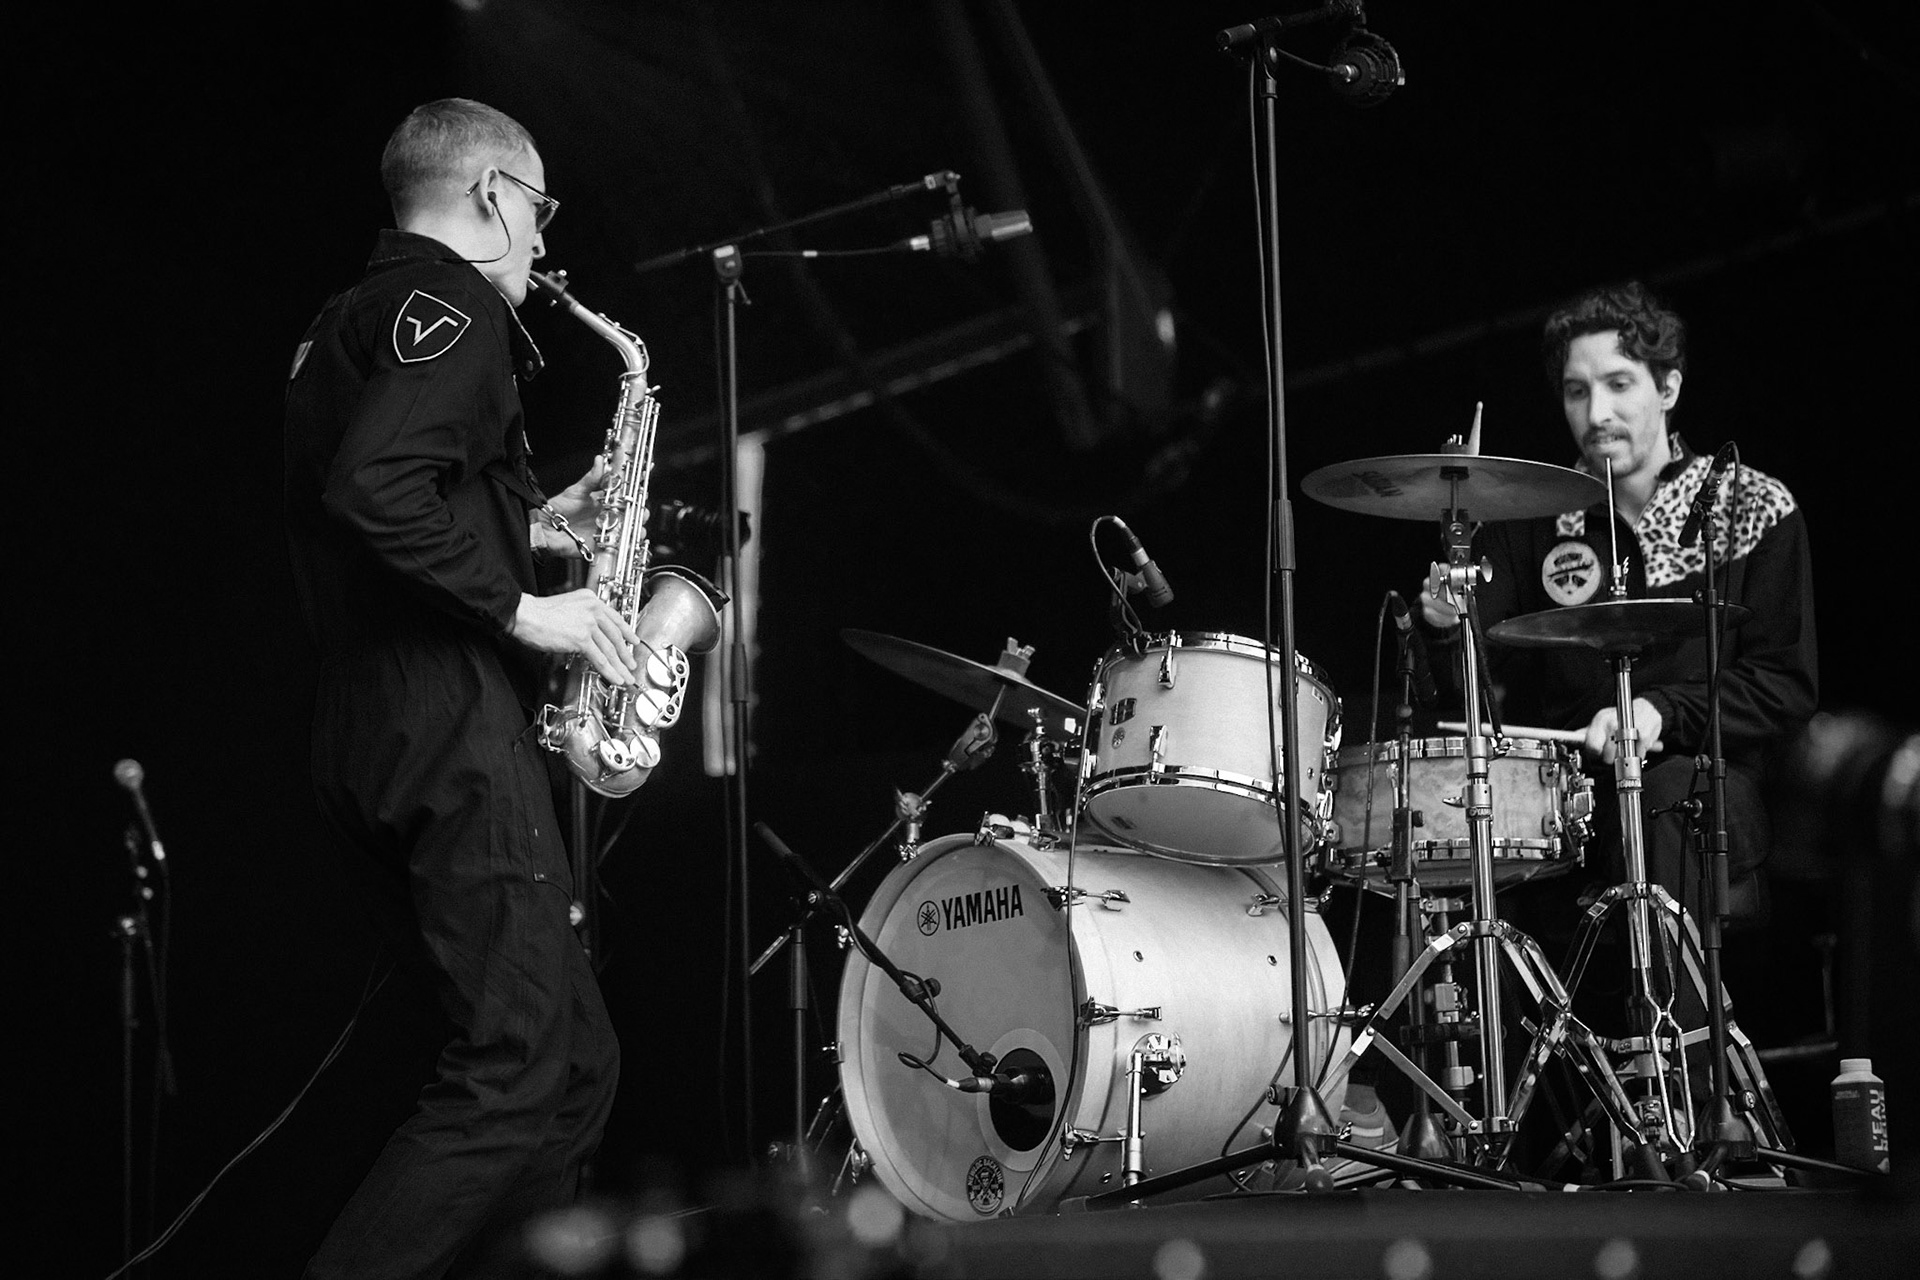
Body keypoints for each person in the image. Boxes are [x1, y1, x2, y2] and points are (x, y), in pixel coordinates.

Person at [284, 98, 641, 1278]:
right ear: (493, 195)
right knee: (515, 1065)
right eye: (538, 211)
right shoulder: (461, 310)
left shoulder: (349, 320)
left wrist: (535, 521)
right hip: (440, 717)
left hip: (366, 727)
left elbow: (388, 495)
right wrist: (529, 606)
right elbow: (374, 492)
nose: (543, 244)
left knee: (572, 1065)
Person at [1420, 280, 1818, 926]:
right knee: (1461, 825)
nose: (1597, 411)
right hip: (1565, 800)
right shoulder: (1531, 519)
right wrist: (1443, 630)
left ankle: (1672, 1028)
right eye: (1578, 392)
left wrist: (1662, 712)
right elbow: (1484, 699)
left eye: (1619, 384)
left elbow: (1784, 686)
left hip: (1705, 786)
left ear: (1668, 389)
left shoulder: (1753, 506)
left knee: (1664, 797)